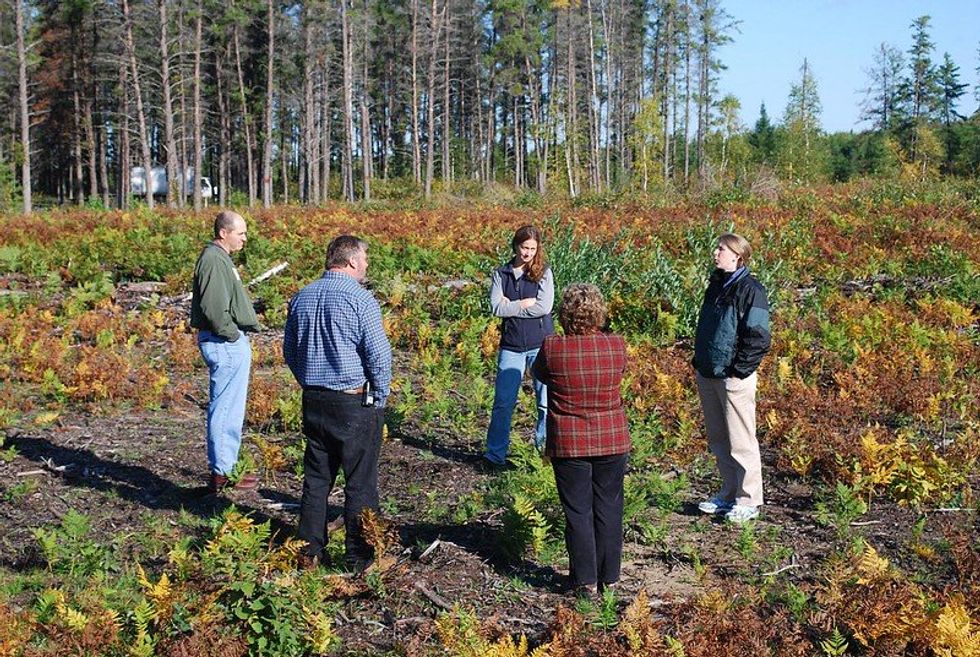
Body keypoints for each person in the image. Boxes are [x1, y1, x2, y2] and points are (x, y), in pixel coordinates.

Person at [283, 235, 392, 571]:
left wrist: (308, 382)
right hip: (352, 401)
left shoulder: (302, 297)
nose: (367, 265)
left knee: (317, 480)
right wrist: (379, 397)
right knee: (360, 482)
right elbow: (378, 355)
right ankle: (360, 558)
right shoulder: (361, 300)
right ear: (351, 262)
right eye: (366, 259)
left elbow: (290, 350)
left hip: (314, 399)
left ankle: (308, 553)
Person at [531, 284, 630, 598]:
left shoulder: (552, 348)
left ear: (565, 315)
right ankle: (610, 578)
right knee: (610, 508)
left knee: (578, 511)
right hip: (612, 438)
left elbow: (540, 374)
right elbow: (620, 372)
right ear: (600, 313)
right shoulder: (616, 345)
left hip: (571, 441)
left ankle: (585, 580)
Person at [692, 232, 771, 523]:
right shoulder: (716, 285)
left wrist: (739, 370)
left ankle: (748, 499)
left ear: (738, 255)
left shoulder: (751, 290)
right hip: (709, 372)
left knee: (741, 439)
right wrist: (700, 361)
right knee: (719, 439)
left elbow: (759, 336)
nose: (715, 253)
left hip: (733, 377)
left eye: (721, 249)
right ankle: (728, 494)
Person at [190, 210, 260, 493]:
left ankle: (226, 468)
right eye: (240, 233)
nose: (244, 239)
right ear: (223, 233)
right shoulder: (213, 261)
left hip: (226, 341)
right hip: (224, 342)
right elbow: (213, 308)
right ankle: (223, 473)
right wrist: (232, 335)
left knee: (229, 408)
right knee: (226, 409)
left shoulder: (219, 259)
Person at [482, 225, 555, 469]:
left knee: (545, 402)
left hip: (541, 345)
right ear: (515, 245)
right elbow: (495, 307)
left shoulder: (544, 272)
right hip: (511, 346)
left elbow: (543, 308)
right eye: (524, 247)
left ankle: (542, 454)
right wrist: (523, 304)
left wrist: (511, 306)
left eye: (533, 249)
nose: (528, 253)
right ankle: (495, 456)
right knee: (503, 402)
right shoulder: (500, 273)